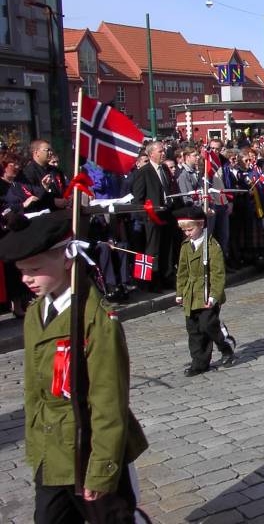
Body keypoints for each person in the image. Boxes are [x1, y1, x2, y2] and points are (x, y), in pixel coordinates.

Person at [0, 211, 148, 522]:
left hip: (89, 446)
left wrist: (102, 468)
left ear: (68, 259)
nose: (26, 279)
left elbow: (109, 401)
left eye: (35, 269)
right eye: (21, 271)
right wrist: (36, 446)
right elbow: (33, 389)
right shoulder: (34, 314)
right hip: (52, 451)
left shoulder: (96, 319)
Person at [175, 206, 234, 376]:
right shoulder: (186, 245)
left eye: (190, 229)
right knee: (194, 329)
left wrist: (215, 295)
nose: (187, 233)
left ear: (201, 225)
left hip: (207, 291)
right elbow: (183, 271)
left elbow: (218, 273)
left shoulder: (211, 245)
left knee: (208, 324)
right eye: (184, 230)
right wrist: (180, 292)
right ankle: (199, 362)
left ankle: (226, 346)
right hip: (190, 293)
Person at [132, 141, 175, 291]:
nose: (163, 153)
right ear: (151, 154)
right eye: (160, 151)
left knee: (166, 248)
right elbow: (138, 199)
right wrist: (145, 217)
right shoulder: (143, 172)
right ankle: (150, 282)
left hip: (165, 214)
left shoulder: (164, 169)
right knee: (152, 250)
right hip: (151, 217)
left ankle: (166, 277)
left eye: (164, 151)